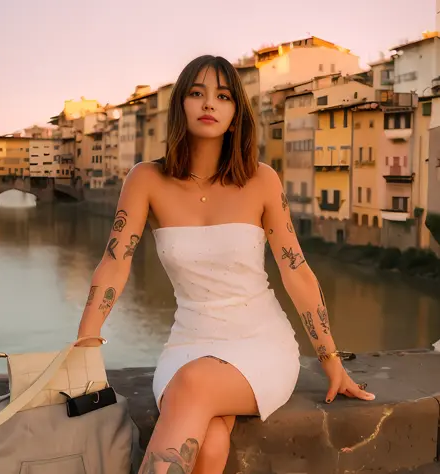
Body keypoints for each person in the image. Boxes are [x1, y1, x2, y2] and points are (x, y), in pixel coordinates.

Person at [77, 55, 376, 474]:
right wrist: (86, 342)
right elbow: (114, 263)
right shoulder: (145, 179)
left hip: (260, 344)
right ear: (181, 104)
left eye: (222, 96)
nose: (208, 104)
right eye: (197, 93)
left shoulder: (261, 180)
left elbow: (296, 271)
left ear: (236, 113)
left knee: (194, 386)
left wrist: (330, 360)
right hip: (187, 345)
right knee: (211, 441)